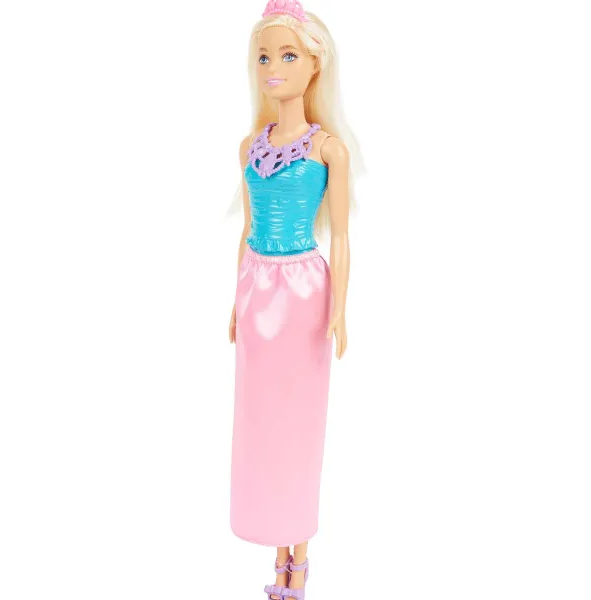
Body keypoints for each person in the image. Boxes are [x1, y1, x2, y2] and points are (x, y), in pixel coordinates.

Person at [227, 1, 363, 598]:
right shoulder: (249, 147)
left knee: (300, 422)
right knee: (262, 423)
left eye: (287, 56)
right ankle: (274, 546)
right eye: (263, 57)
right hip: (257, 292)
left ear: (315, 65)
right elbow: (247, 227)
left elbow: (343, 237)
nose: (273, 68)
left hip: (305, 292)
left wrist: (340, 308)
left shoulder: (328, 150)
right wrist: (235, 299)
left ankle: (298, 559)